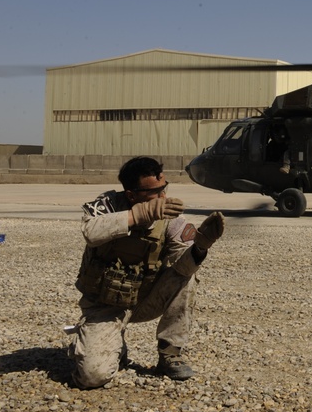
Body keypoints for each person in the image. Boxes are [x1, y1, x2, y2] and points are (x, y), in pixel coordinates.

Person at [68, 156, 225, 389]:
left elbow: (183, 266)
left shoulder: (169, 218)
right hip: (105, 304)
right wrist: (139, 215)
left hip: (144, 299)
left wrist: (201, 247)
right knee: (92, 378)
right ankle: (96, 340)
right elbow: (91, 231)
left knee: (185, 278)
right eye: (155, 192)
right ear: (132, 195)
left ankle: (169, 353)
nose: (163, 197)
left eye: (164, 189)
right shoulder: (108, 205)